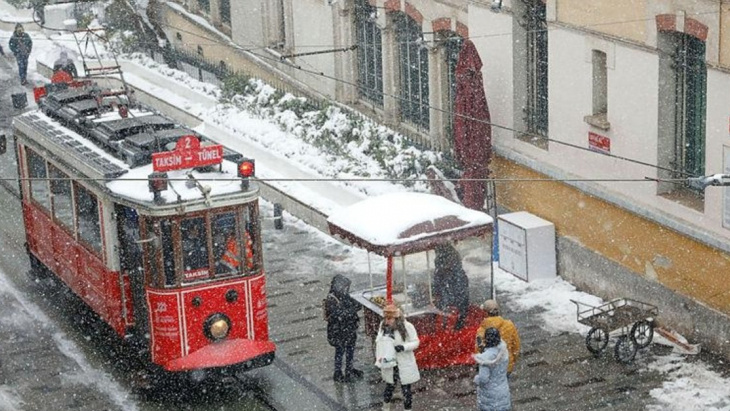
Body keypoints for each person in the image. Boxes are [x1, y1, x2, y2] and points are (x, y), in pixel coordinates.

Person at [376, 304, 420, 411]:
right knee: (389, 386)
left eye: (389, 318)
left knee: (406, 389)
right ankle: (385, 408)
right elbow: (378, 339)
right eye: (385, 318)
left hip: (404, 363)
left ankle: (407, 409)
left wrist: (404, 347)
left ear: (396, 318)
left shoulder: (407, 326)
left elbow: (416, 342)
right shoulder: (383, 326)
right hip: (390, 363)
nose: (387, 321)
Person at [325, 274, 363, 383]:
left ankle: (349, 369)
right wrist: (350, 311)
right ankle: (338, 372)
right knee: (340, 351)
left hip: (349, 329)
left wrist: (350, 310)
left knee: (350, 350)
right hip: (338, 332)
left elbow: (357, 305)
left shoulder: (344, 295)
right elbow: (339, 314)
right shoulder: (331, 299)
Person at [475, 299, 521, 375]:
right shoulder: (509, 325)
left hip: (491, 368)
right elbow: (516, 346)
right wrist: (512, 360)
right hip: (506, 365)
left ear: (485, 313)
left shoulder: (481, 331)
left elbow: (479, 351)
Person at [432, 243, 469, 329]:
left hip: (454, 310)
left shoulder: (457, 275)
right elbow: (437, 287)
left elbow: (459, 296)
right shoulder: (440, 273)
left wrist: (448, 307)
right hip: (447, 309)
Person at [474, 327, 511, 411]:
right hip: (503, 392)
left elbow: (483, 379)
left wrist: (476, 379)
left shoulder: (485, 358)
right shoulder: (504, 351)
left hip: (489, 397)